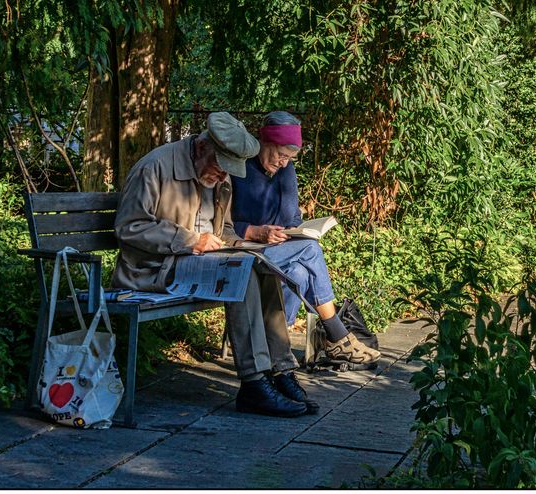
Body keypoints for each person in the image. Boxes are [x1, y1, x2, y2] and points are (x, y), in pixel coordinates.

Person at [112, 111, 319, 417]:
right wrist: (189, 240)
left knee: (260, 267)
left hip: (195, 265)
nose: (223, 178)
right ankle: (253, 381)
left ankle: (280, 370)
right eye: (221, 169)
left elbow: (223, 229)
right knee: (241, 274)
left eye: (227, 174)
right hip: (151, 270)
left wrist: (241, 241)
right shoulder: (155, 167)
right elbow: (128, 227)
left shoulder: (217, 176)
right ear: (202, 148)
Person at [230, 111, 381, 366]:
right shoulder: (237, 169)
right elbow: (221, 224)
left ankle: (278, 343)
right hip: (241, 249)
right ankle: (337, 335)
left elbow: (292, 218)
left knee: (299, 273)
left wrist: (296, 231)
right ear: (265, 142)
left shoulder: (286, 172)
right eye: (281, 155)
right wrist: (255, 232)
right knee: (310, 250)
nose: (284, 163)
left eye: (290, 158)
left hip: (275, 251)